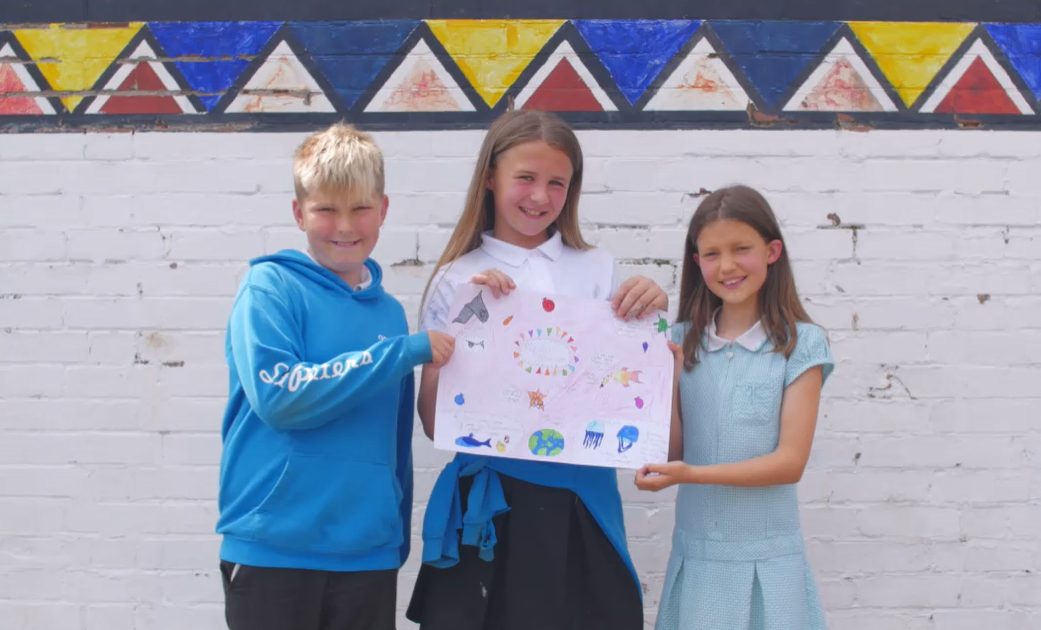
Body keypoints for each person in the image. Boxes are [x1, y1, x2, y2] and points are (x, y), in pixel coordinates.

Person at [405, 110, 668, 630]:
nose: (540, 196)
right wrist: (465, 327)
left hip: (582, 499)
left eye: (557, 183)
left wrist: (651, 308)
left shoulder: (598, 268)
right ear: (490, 177)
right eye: (525, 177)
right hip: (492, 501)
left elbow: (620, 380)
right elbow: (436, 424)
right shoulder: (455, 278)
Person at [214, 122, 454, 630]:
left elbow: (394, 443)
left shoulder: (389, 314)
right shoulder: (269, 287)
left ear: (383, 210)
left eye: (361, 208)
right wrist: (400, 353)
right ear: (299, 212)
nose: (345, 226)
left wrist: (393, 537)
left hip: (367, 556)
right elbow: (281, 398)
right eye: (326, 209)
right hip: (272, 550)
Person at [635, 185, 835, 630]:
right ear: (696, 262)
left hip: (769, 565)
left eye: (741, 249)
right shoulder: (677, 340)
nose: (726, 266)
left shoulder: (803, 344)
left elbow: (789, 463)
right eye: (711, 254)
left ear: (772, 251)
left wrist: (692, 474)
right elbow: (671, 451)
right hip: (697, 559)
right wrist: (662, 383)